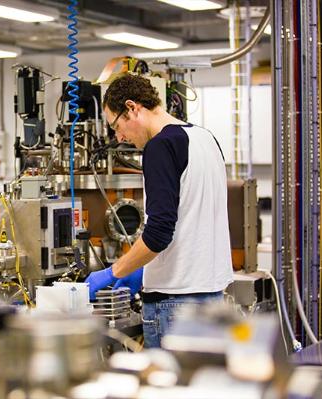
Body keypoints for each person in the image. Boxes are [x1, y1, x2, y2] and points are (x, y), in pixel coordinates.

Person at [85, 74, 233, 348]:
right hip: (211, 296)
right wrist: (145, 268)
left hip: (174, 306)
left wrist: (114, 271)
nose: (120, 137)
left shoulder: (160, 147)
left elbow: (159, 234)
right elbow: (192, 219)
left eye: (116, 126)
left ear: (132, 107)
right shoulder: (205, 138)